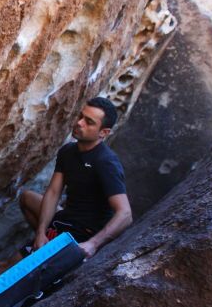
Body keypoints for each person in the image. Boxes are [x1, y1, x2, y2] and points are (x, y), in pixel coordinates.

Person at [20, 97, 132, 259]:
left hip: (84, 233)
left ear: (104, 133)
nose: (79, 123)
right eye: (80, 116)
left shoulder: (106, 162)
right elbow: (53, 192)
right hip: (66, 217)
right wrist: (41, 231)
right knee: (26, 198)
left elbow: (125, 214)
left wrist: (93, 244)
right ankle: (47, 243)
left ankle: (57, 251)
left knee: (2, 270)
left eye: (89, 122)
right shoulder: (68, 151)